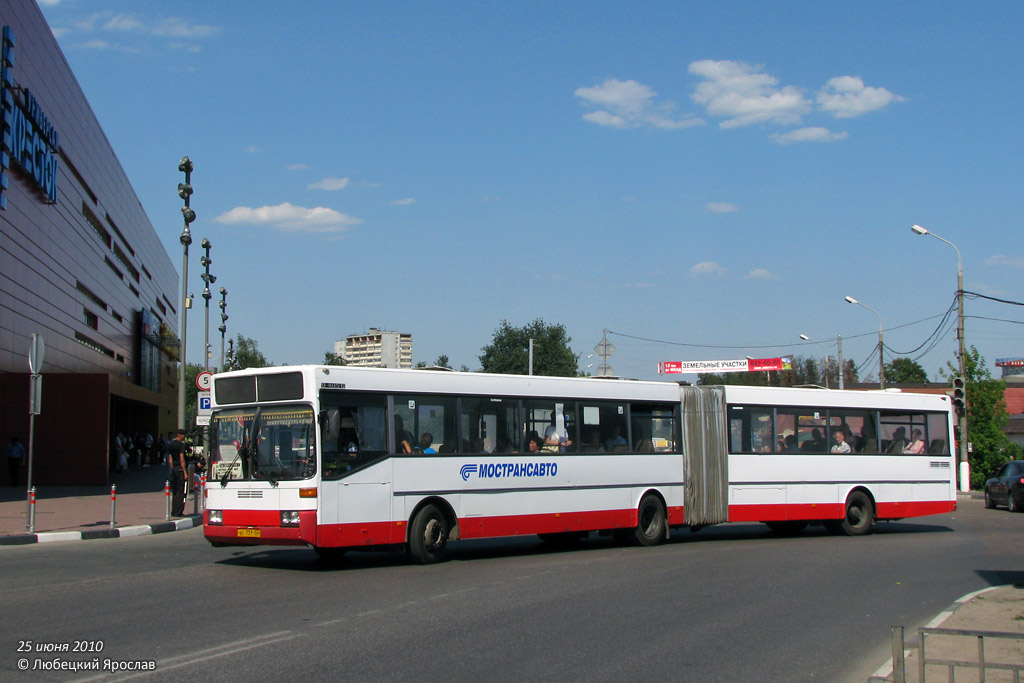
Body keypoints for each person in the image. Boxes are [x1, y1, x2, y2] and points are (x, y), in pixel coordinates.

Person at [167, 428, 188, 517]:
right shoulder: (181, 445)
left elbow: (170, 459)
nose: (184, 437)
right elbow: (182, 459)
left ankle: (173, 510)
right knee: (180, 491)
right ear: (180, 435)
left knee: (174, 491)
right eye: (184, 435)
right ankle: (178, 512)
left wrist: (173, 468)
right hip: (180, 469)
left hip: (174, 469)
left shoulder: (171, 444)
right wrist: (185, 472)